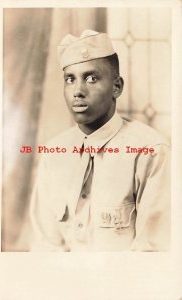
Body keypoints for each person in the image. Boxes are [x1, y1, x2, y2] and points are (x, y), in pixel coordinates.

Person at [30, 30, 170, 251]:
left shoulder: (150, 151)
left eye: (91, 78)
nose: (78, 91)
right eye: (70, 79)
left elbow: (153, 252)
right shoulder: (53, 154)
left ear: (117, 87)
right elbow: (45, 245)